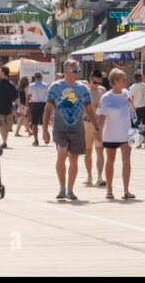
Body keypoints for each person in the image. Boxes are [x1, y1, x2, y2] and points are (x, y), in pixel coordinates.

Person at [42, 59, 97, 200]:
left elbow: (90, 109)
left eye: (78, 71)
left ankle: (70, 190)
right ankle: (62, 188)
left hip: (78, 129)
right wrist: (44, 130)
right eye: (75, 71)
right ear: (67, 71)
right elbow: (47, 109)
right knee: (61, 153)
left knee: (74, 159)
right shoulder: (55, 87)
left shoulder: (83, 88)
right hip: (60, 129)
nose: (78, 73)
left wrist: (97, 127)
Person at [98, 69, 136, 199]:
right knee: (111, 160)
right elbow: (102, 117)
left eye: (125, 79)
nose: (125, 82)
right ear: (114, 82)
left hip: (127, 133)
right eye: (122, 80)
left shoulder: (126, 93)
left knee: (127, 160)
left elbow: (133, 112)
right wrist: (98, 131)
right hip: (111, 134)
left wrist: (132, 102)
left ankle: (126, 190)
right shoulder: (106, 97)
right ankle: (109, 189)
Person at [84, 70, 107, 185]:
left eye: (98, 82)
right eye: (94, 82)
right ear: (90, 78)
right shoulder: (85, 90)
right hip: (87, 123)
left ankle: (99, 177)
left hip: (100, 124)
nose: (96, 84)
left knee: (100, 151)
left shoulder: (103, 90)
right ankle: (89, 176)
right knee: (88, 151)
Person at [0, 66, 18, 148]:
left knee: (1, 125)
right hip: (9, 108)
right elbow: (16, 97)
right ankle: (4, 141)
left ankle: (4, 141)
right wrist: (20, 107)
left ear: (3, 73)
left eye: (0, 71)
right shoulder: (11, 85)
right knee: (6, 126)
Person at [129, 72, 145, 148]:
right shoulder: (143, 85)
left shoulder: (131, 87)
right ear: (139, 78)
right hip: (144, 106)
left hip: (136, 107)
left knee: (137, 125)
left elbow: (131, 97)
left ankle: (138, 142)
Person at [27, 72, 49, 146]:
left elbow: (28, 95)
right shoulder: (45, 85)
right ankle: (45, 137)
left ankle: (36, 140)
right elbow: (48, 96)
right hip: (43, 104)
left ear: (35, 78)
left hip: (34, 104)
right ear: (41, 77)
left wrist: (27, 105)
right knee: (44, 122)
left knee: (34, 123)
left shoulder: (31, 86)